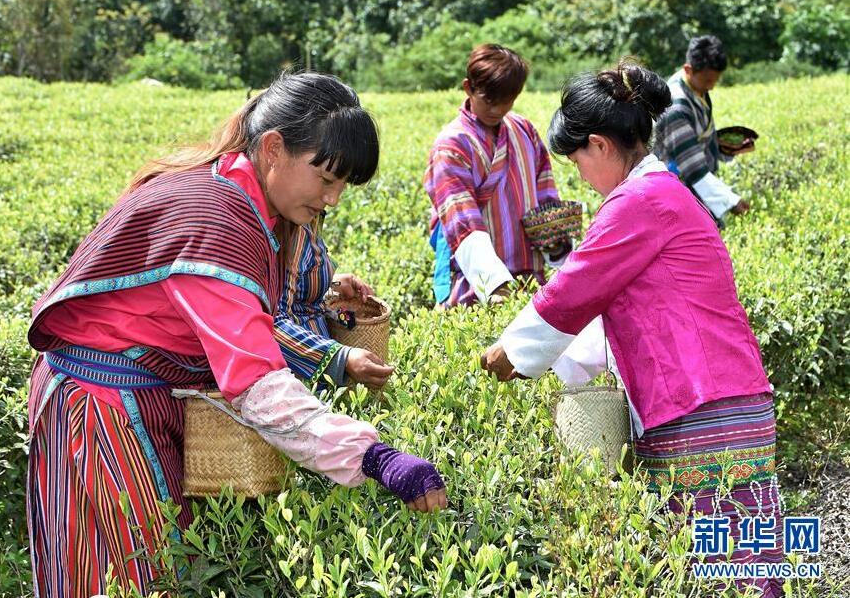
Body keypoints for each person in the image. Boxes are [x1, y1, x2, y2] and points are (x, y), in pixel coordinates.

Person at [25, 72, 446, 597]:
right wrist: (373, 457)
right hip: (101, 410)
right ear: (274, 148)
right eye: (327, 178)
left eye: (343, 186)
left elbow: (250, 309)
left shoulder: (236, 192)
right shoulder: (214, 216)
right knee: (129, 576)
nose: (333, 199)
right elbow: (255, 383)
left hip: (138, 397)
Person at [481, 61, 783, 597]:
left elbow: (575, 287)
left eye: (576, 160)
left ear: (599, 145)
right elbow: (621, 311)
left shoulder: (637, 202)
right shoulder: (662, 192)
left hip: (703, 406)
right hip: (721, 399)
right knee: (742, 567)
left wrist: (513, 351)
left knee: (725, 571)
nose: (579, 174)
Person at [424, 44, 569, 309]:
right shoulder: (452, 144)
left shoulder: (524, 129)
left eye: (507, 101)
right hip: (474, 282)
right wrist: (495, 285)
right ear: (468, 88)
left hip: (528, 275)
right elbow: (461, 219)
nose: (498, 109)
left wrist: (558, 246)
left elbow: (546, 191)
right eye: (490, 101)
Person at [274, 218, 394, 389]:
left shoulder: (310, 220)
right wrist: (341, 357)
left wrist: (334, 284)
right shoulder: (295, 230)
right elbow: (273, 321)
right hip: (304, 377)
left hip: (324, 340)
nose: (332, 200)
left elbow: (303, 291)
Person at [654, 35, 754, 227]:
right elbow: (693, 169)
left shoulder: (693, 85)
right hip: (676, 185)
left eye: (716, 80)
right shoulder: (676, 107)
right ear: (688, 69)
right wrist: (730, 200)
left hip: (692, 180)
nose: (712, 86)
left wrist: (721, 146)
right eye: (708, 80)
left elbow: (699, 133)